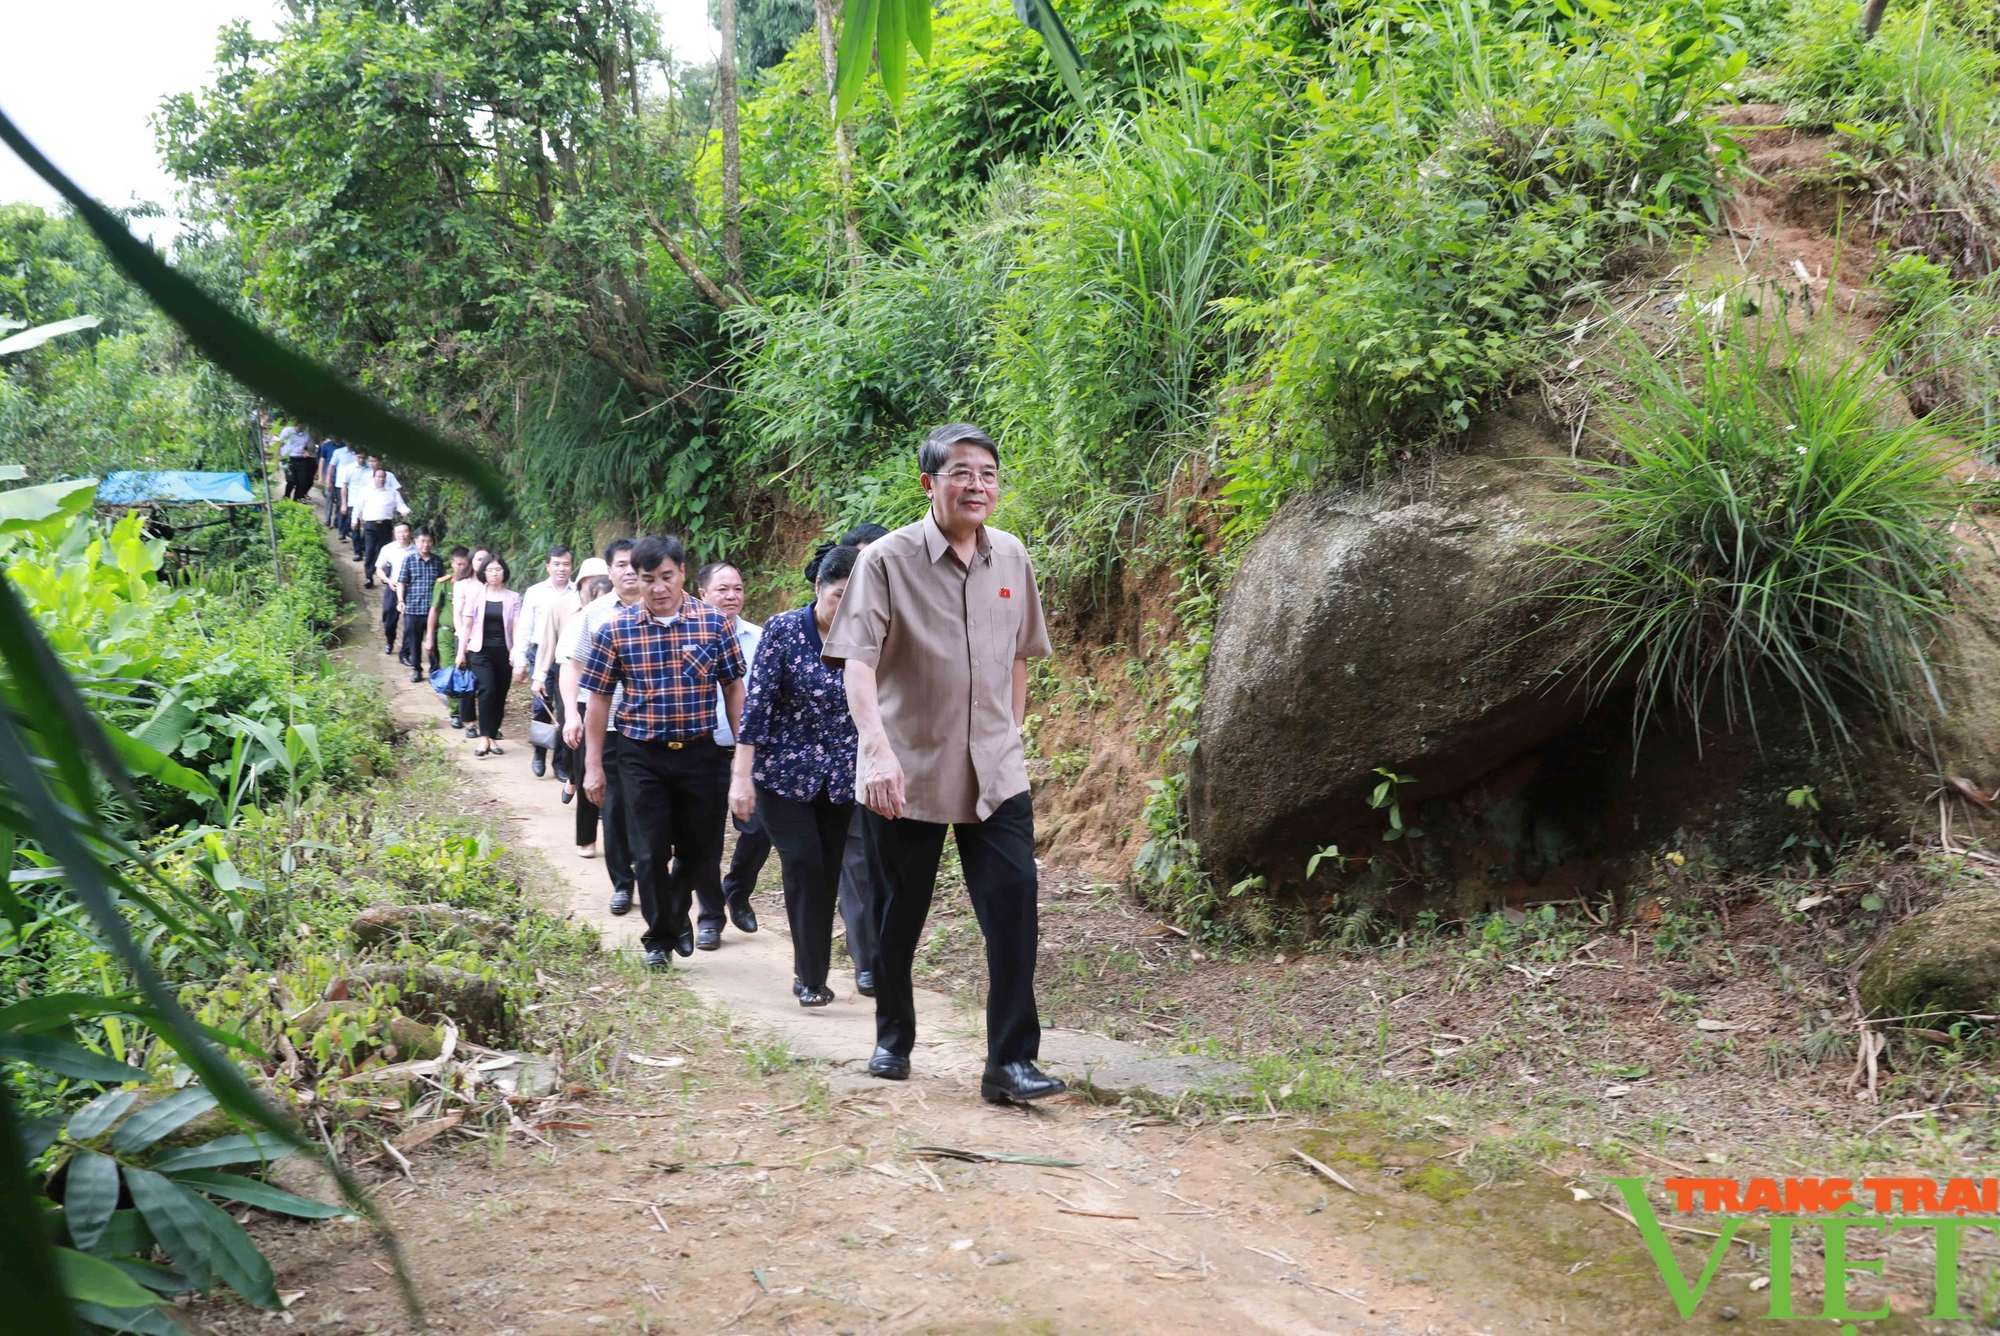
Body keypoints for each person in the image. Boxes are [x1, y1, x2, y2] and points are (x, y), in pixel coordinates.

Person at [822, 424, 1063, 1104]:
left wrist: (1010, 731)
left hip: (996, 772)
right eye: (962, 472)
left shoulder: (1012, 558)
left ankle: (1009, 1064)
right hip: (910, 769)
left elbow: (1021, 654)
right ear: (930, 483)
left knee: (1014, 907)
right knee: (901, 912)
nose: (977, 485)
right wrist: (875, 751)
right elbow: (859, 661)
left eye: (987, 473)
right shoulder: (887, 561)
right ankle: (893, 1034)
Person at [578, 536, 746, 971]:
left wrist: (747, 754)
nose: (658, 588)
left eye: (666, 577)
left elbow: (733, 688)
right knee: (650, 850)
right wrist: (593, 765)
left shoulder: (713, 623)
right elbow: (597, 699)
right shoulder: (615, 629)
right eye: (648, 579)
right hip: (640, 753)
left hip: (700, 752)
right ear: (636, 578)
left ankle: (674, 911)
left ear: (682, 574)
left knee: (701, 846)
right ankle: (659, 939)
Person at [728, 545, 860, 1007]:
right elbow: (757, 706)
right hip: (782, 776)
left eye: (855, 597)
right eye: (838, 595)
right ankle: (810, 976)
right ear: (819, 588)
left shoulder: (871, 635)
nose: (845, 607)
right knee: (803, 863)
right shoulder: (784, 629)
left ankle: (812, 972)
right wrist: (741, 776)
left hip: (842, 778)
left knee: (825, 874)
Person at [827, 523, 891, 996]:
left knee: (881, 865)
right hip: (836, 763)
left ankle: (882, 955)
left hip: (895, 757)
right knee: (854, 864)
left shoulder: (906, 613)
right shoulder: (819, 620)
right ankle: (867, 959)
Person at [561, 540, 639, 905]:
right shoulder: (594, 614)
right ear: (609, 572)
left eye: (634, 563)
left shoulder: (669, 608)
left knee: (649, 805)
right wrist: (573, 713)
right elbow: (574, 665)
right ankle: (623, 882)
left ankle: (650, 865)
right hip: (608, 725)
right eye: (621, 565)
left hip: (654, 725)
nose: (629, 571)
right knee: (614, 805)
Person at [694, 560, 763, 951]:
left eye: (737, 588)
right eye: (723, 589)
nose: (731, 596)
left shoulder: (760, 636)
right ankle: (709, 917)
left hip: (749, 753)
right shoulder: (689, 635)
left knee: (759, 828)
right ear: (702, 593)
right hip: (702, 750)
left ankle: (736, 887)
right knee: (704, 839)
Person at [540, 562, 608, 805]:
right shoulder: (568, 611)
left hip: (608, 693)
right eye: (593, 579)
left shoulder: (621, 613)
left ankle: (593, 797)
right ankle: (573, 776)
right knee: (574, 741)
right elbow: (551, 645)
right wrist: (539, 675)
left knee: (601, 748)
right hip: (575, 688)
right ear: (583, 583)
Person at [517, 546, 575, 779]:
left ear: (572, 566)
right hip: (540, 655)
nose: (561, 569)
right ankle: (539, 752)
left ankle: (559, 762)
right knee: (542, 707)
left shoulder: (577, 592)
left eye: (566, 564)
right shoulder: (535, 592)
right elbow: (525, 627)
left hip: (568, 658)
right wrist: (519, 660)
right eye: (557, 564)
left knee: (565, 710)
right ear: (548, 566)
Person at [458, 553, 523, 758]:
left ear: (504, 571)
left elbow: (516, 627)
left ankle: (493, 735)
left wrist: (515, 650)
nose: (494, 573)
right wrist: (461, 651)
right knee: (487, 689)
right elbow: (466, 625)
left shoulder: (513, 597)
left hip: (504, 651)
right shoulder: (475, 595)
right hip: (479, 650)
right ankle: (484, 738)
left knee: (500, 695)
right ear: (483, 573)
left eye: (498, 569)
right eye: (490, 570)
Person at [429, 546, 473, 726]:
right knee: (451, 670)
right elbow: (434, 609)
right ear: (452, 564)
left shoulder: (475, 584)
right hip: (446, 633)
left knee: (468, 673)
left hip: (468, 635)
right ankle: (456, 713)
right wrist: (430, 637)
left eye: (464, 564)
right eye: (458, 564)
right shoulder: (444, 583)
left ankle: (468, 710)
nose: (461, 568)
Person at [393, 529, 445, 679]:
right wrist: (401, 600)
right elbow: (402, 582)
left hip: (433, 609)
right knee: (414, 641)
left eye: (429, 541)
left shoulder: (438, 561)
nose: (426, 544)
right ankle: (417, 669)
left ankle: (434, 671)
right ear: (416, 541)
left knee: (433, 641)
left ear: (433, 542)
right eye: (422, 541)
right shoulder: (409, 560)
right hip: (413, 608)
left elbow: (443, 583)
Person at [453, 547, 492, 738]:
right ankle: (469, 722)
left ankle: (490, 726)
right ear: (471, 562)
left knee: (487, 685)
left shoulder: (493, 585)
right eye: (478, 560)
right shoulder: (463, 585)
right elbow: (457, 615)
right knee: (467, 682)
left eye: (486, 559)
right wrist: (463, 640)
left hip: (488, 640)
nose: (482, 563)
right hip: (465, 639)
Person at [353, 462, 407, 573]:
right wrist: (354, 520)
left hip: (385, 524)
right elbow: (358, 506)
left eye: (383, 477)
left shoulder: (392, 491)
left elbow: (400, 504)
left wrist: (404, 511)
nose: (381, 479)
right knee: (369, 551)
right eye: (378, 477)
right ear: (374, 478)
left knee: (386, 550)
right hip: (370, 525)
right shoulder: (365, 490)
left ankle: (384, 574)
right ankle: (368, 576)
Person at [372, 521, 412, 650]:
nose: (402, 535)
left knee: (410, 622)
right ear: (394, 534)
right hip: (393, 587)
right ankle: (389, 641)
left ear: (410, 533)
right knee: (388, 617)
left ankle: (406, 650)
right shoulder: (388, 549)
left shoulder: (416, 550)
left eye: (405, 531)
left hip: (412, 589)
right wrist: (388, 581)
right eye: (399, 532)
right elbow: (379, 568)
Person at [277, 424, 316, 502]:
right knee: (291, 480)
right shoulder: (287, 431)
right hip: (288, 458)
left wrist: (306, 452)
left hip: (301, 459)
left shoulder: (306, 434)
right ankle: (286, 496)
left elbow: (305, 447)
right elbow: (279, 444)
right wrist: (278, 458)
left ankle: (296, 500)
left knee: (302, 482)